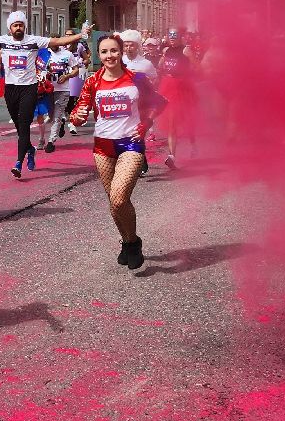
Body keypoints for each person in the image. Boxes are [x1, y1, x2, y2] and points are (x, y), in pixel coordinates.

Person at [0, 11, 91, 180]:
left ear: (25, 26)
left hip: (29, 88)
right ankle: (30, 149)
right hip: (11, 89)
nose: (18, 28)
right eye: (15, 25)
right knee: (19, 126)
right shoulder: (4, 41)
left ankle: (18, 162)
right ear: (10, 28)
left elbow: (58, 41)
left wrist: (81, 35)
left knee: (24, 125)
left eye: (21, 25)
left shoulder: (34, 41)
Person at [69, 33, 163, 269]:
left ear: (121, 52)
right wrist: (78, 116)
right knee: (114, 202)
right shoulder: (93, 81)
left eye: (113, 50)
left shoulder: (137, 78)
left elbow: (159, 103)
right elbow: (78, 114)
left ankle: (133, 242)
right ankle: (128, 242)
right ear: (98, 55)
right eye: (104, 52)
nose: (109, 55)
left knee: (119, 198)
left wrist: (145, 124)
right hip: (103, 147)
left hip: (130, 144)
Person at [156, 30, 197, 169]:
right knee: (171, 122)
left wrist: (187, 74)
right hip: (168, 88)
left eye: (175, 35)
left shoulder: (186, 50)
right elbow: (161, 66)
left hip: (183, 89)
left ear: (180, 37)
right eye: (170, 35)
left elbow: (197, 67)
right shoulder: (166, 50)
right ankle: (172, 156)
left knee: (188, 120)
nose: (172, 38)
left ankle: (193, 143)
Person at [42, 43, 80, 153]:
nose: (54, 45)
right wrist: (46, 75)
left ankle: (51, 141)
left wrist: (67, 76)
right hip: (47, 91)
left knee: (56, 116)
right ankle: (62, 122)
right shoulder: (44, 54)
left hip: (63, 90)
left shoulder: (67, 54)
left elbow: (76, 69)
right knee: (50, 116)